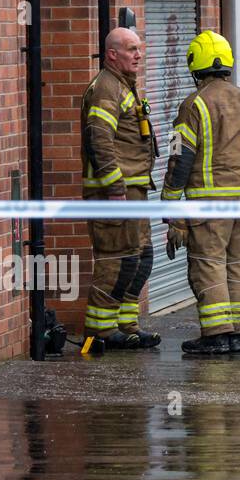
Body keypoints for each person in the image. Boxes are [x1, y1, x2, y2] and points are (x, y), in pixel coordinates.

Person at [161, 31, 240, 355]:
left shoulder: (193, 105)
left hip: (208, 203)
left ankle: (215, 334)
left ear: (195, 67)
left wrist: (170, 204)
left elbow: (180, 157)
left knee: (207, 263)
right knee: (238, 262)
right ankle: (237, 333)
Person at [79, 26, 161, 352]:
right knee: (115, 260)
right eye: (131, 49)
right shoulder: (105, 89)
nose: (138, 55)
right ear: (112, 54)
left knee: (140, 259)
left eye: (139, 49)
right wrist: (113, 185)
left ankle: (126, 325)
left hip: (135, 190)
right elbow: (99, 137)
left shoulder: (125, 85)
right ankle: (100, 330)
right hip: (113, 193)